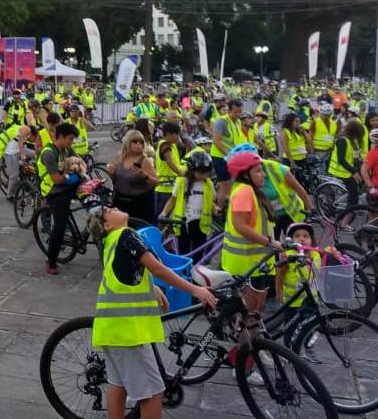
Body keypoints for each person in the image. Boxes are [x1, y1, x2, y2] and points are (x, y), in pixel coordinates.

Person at [92, 205, 216, 419]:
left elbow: (126, 275)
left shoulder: (109, 243)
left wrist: (153, 288)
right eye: (108, 209)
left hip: (110, 330)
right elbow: (156, 267)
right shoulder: (126, 234)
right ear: (107, 224)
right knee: (153, 393)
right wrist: (195, 289)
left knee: (117, 386)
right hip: (130, 333)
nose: (114, 207)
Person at [222, 150, 282, 316]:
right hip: (246, 264)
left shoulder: (249, 189)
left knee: (252, 313)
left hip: (253, 263)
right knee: (249, 314)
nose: (262, 174)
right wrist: (269, 242)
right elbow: (240, 226)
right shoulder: (244, 191)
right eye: (257, 171)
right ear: (245, 174)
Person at [40, 122, 81, 275]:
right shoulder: (49, 153)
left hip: (65, 186)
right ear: (61, 137)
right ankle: (51, 261)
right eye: (70, 139)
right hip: (53, 191)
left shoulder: (67, 148)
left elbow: (80, 162)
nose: (72, 142)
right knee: (60, 225)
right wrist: (72, 178)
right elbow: (56, 179)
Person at [159, 151, 214, 259]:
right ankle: (183, 273)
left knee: (198, 251)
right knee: (183, 251)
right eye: (200, 173)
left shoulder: (208, 184)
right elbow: (172, 200)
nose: (203, 176)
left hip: (200, 223)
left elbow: (209, 201)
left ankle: (194, 272)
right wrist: (164, 213)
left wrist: (215, 209)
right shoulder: (181, 182)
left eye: (205, 173)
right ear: (192, 170)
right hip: (183, 223)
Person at [109, 130, 159, 225]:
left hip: (140, 205)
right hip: (120, 202)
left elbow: (156, 182)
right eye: (135, 142)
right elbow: (117, 181)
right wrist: (111, 173)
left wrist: (145, 175)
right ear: (128, 143)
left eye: (141, 142)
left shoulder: (144, 161)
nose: (138, 145)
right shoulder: (120, 157)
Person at [210, 99, 245, 208]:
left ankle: (222, 208)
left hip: (232, 157)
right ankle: (220, 210)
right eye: (236, 112)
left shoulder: (237, 122)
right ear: (229, 110)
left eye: (240, 112)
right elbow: (216, 141)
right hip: (221, 157)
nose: (238, 115)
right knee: (225, 187)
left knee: (228, 185)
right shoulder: (221, 121)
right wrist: (229, 154)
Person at [327, 120, 365, 207]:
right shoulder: (342, 140)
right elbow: (341, 160)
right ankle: (346, 215)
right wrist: (354, 172)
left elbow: (356, 157)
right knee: (353, 197)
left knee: (355, 192)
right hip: (341, 172)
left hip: (348, 171)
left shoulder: (352, 140)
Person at [0, 121, 33, 200]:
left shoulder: (28, 132)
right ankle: (9, 195)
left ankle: (27, 174)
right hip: (11, 152)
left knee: (34, 154)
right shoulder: (25, 130)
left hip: (17, 149)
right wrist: (22, 155)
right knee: (14, 176)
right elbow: (20, 143)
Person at [154, 122, 184, 214]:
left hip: (171, 186)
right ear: (168, 134)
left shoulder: (172, 145)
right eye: (176, 135)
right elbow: (170, 163)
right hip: (165, 188)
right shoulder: (165, 146)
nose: (178, 137)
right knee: (163, 216)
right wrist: (181, 173)